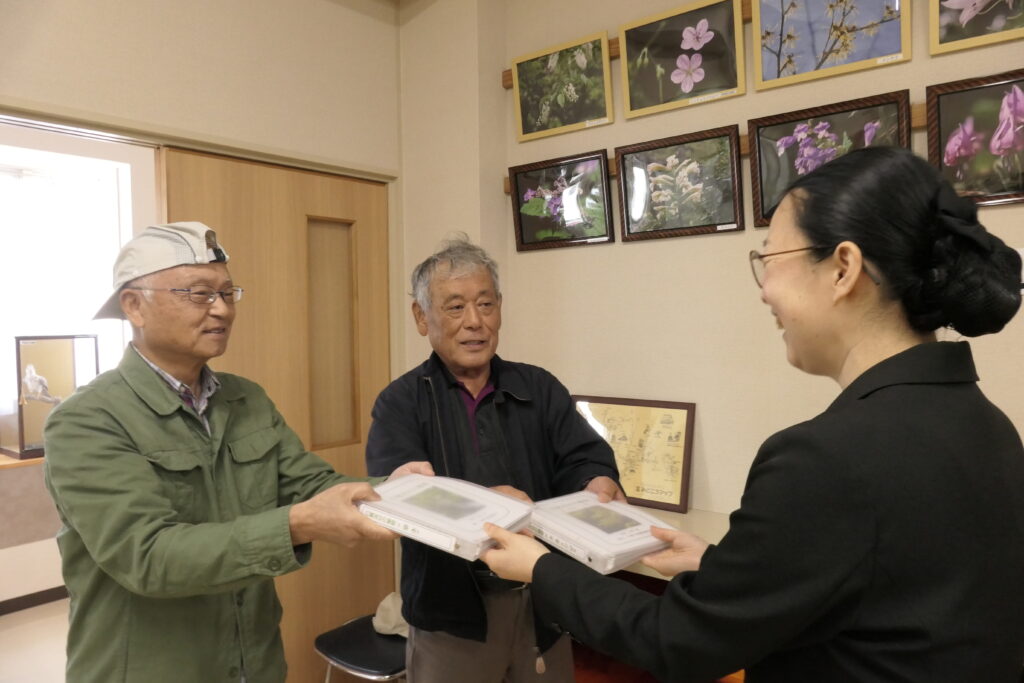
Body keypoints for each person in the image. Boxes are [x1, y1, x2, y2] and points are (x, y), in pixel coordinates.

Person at [481, 147, 1024, 682]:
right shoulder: (987, 423)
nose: (764, 290)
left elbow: (676, 641)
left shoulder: (823, 458)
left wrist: (539, 566)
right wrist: (722, 566)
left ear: (843, 268)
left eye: (771, 259)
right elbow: (889, 587)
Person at [43, 222, 431, 683]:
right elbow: (147, 556)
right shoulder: (87, 420)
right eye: (199, 294)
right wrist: (297, 523)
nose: (222, 310)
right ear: (134, 305)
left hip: (255, 661)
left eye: (228, 293)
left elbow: (309, 484)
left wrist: (395, 490)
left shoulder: (246, 400)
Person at [365, 235, 622, 682]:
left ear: (500, 308)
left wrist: (596, 480)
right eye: (455, 307)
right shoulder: (400, 402)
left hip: (542, 597)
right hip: (452, 614)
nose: (474, 323)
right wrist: (491, 506)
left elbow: (584, 454)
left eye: (485, 305)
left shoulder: (538, 387)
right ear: (421, 317)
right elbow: (402, 499)